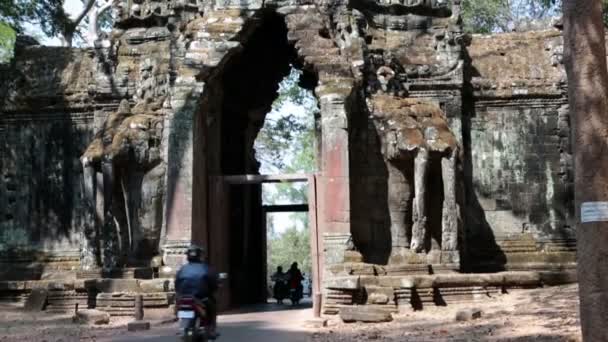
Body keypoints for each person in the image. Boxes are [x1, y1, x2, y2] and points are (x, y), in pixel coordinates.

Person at [175, 245, 219, 339]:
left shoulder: (182, 269)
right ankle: (211, 329)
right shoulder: (206, 268)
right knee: (212, 306)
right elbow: (214, 284)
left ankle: (183, 328)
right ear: (200, 256)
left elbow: (177, 285)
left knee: (180, 307)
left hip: (184, 299)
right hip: (202, 299)